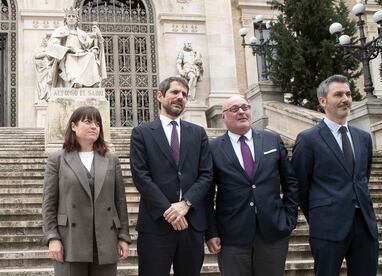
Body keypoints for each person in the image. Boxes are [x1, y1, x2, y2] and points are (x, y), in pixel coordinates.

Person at [291, 75, 379, 276]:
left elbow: (363, 176)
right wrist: (320, 214)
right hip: (327, 227)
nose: (345, 99)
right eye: (338, 94)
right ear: (323, 101)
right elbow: (300, 186)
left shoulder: (363, 138)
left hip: (364, 225)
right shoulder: (308, 139)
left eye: (348, 94)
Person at [206, 95, 299, 276]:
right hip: (231, 236)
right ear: (223, 116)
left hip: (273, 232)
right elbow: (206, 195)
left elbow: (291, 182)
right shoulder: (213, 148)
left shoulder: (272, 140)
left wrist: (289, 218)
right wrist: (211, 232)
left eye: (245, 107)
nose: (241, 112)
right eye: (234, 109)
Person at [130, 76, 213, 276]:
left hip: (191, 224)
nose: (180, 97)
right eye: (175, 92)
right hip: (156, 225)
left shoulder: (198, 133)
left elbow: (206, 175)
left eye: (184, 94)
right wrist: (169, 210)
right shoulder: (141, 133)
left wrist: (186, 203)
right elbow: (141, 176)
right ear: (160, 95)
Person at [42, 106, 131, 276]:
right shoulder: (57, 159)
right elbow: (49, 203)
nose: (94, 126)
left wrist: (123, 237)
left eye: (97, 123)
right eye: (88, 121)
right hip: (70, 240)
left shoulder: (111, 160)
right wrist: (52, 237)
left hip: (105, 239)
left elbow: (120, 201)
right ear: (73, 126)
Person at [46, 7, 107, 88]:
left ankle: (93, 81)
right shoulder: (59, 31)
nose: (71, 18)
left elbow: (90, 45)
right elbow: (53, 46)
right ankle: (75, 81)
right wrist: (66, 49)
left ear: (77, 19)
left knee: (90, 56)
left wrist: (97, 42)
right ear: (66, 19)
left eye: (73, 16)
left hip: (81, 53)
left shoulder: (82, 33)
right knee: (69, 58)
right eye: (69, 16)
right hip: (67, 54)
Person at [34, 36, 53, 102]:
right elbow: (36, 56)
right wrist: (45, 53)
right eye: (43, 41)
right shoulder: (39, 49)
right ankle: (43, 96)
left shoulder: (50, 49)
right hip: (42, 69)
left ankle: (48, 96)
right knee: (43, 83)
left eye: (46, 41)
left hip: (49, 68)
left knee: (48, 82)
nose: (44, 42)